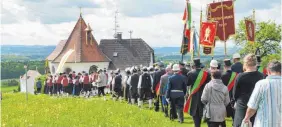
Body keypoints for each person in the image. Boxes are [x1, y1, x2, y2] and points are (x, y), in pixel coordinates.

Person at [243, 61, 281, 127]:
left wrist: (246, 118)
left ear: (268, 71)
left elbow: (252, 106)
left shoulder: (261, 84)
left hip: (263, 123)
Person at [232, 54, 264, 127]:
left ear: (245, 64)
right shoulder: (261, 76)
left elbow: (235, 94)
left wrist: (234, 102)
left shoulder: (240, 76)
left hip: (242, 104)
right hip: (256, 105)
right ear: (255, 63)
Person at [184, 58, 211, 127]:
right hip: (204, 94)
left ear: (194, 65)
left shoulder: (190, 73)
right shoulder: (206, 74)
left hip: (194, 95)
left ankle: (197, 125)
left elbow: (187, 84)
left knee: (195, 112)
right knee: (205, 111)